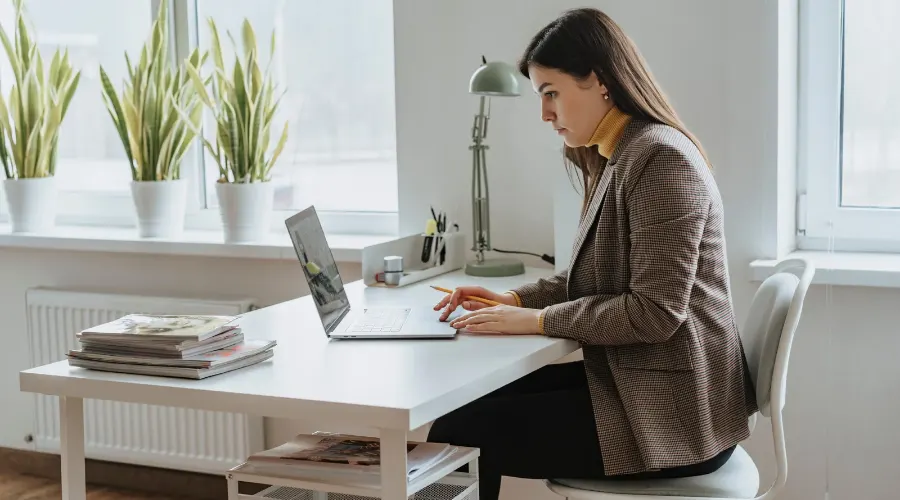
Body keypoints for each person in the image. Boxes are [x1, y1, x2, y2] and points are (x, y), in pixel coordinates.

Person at [429, 8, 758, 500]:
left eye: (550, 93)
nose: (544, 113)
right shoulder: (617, 154)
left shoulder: (660, 157)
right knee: (464, 411)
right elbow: (592, 278)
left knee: (461, 433)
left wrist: (538, 322)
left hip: (676, 415)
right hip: (642, 387)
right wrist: (514, 299)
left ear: (599, 81)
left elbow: (653, 314)